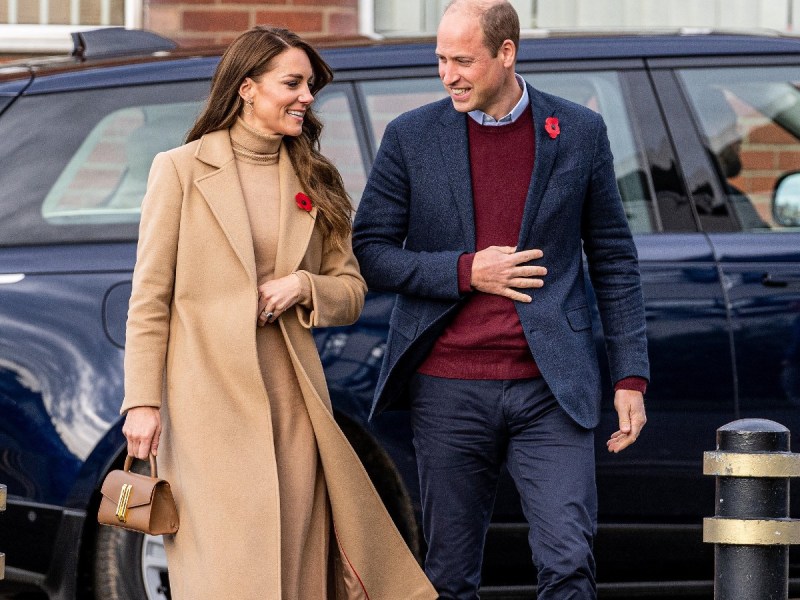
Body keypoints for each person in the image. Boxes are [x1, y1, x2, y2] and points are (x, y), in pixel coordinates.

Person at [120, 26, 437, 600]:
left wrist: (304, 286)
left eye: (309, 85)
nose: (307, 97)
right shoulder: (180, 170)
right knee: (222, 569)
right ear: (246, 88)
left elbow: (352, 290)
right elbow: (150, 299)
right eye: (292, 83)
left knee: (295, 563)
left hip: (292, 401)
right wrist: (141, 402)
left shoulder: (317, 178)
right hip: (203, 404)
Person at [352, 1, 650, 598]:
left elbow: (614, 258)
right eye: (440, 59)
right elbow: (371, 251)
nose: (448, 74)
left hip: (550, 388)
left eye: (463, 60)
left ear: (506, 53)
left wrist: (630, 378)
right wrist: (467, 271)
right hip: (449, 388)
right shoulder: (411, 136)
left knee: (569, 563)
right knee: (449, 576)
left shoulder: (579, 132)